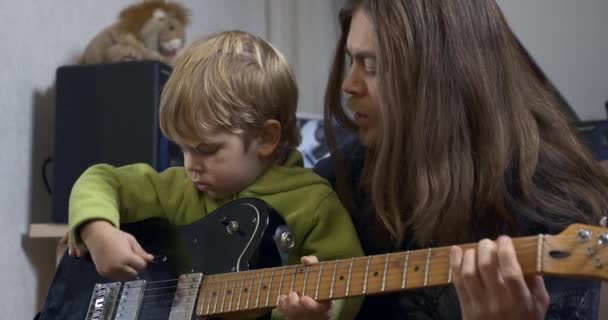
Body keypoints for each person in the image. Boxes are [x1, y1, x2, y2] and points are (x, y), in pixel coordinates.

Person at [285, 0, 608, 319]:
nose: (348, 85)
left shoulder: (557, 203)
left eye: (371, 67)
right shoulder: (341, 179)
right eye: (351, 62)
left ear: (440, 79)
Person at [67, 30, 363, 320]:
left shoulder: (313, 203)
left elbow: (348, 279)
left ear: (265, 138)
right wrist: (98, 231)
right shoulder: (178, 188)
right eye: (182, 149)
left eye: (207, 150)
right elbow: (102, 179)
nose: (190, 165)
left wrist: (319, 313)